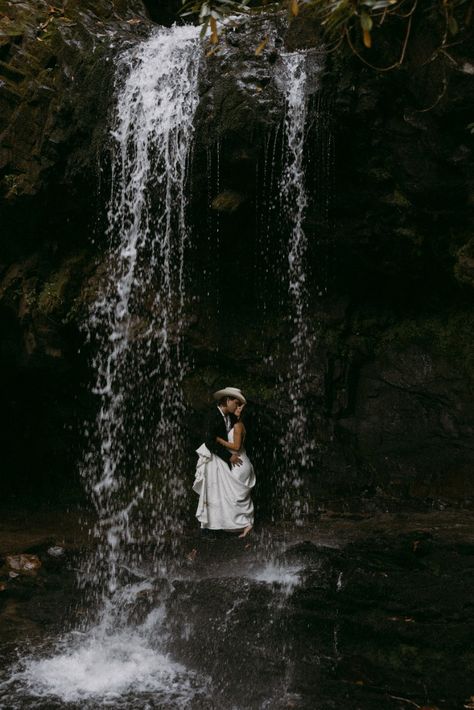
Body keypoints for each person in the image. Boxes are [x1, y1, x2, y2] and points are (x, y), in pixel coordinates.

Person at [193, 387, 255, 537]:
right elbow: (208, 441)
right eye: (236, 402)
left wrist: (238, 414)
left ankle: (224, 525)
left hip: (223, 459)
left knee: (222, 493)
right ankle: (208, 527)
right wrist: (228, 457)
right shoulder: (212, 415)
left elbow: (236, 434)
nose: (237, 406)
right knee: (212, 492)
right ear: (227, 400)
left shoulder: (231, 418)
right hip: (214, 458)